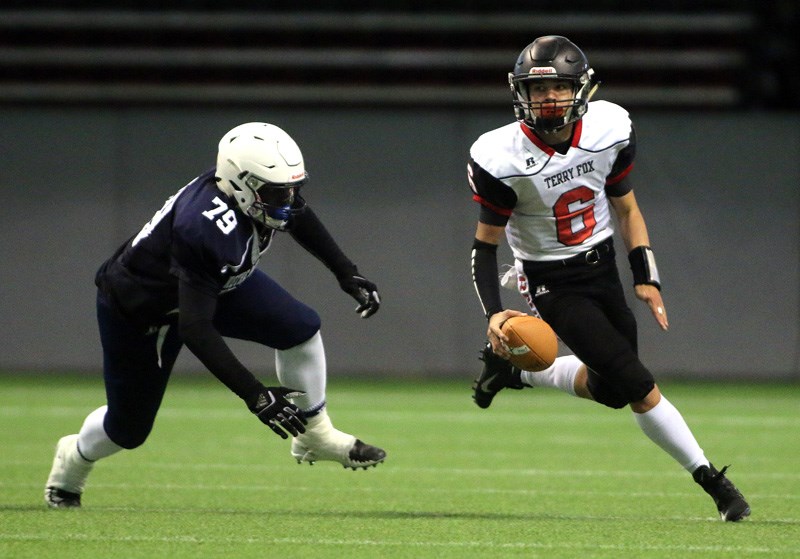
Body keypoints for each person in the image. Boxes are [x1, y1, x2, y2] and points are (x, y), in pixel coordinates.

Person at [468, 36, 749, 522]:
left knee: (614, 390)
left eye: (557, 88)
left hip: (602, 268)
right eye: (536, 92)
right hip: (550, 281)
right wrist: (495, 311)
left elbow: (627, 207)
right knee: (639, 385)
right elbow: (484, 246)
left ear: (580, 90)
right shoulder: (500, 155)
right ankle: (714, 482)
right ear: (520, 95)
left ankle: (514, 372)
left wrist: (646, 275)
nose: (547, 100)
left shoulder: (609, 126)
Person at [45, 122, 386, 508]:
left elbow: (299, 215)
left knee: (300, 328)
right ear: (242, 184)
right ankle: (72, 460)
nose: (288, 202)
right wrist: (255, 396)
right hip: (145, 309)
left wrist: (345, 270)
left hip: (207, 285)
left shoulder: (246, 187)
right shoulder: (204, 229)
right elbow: (194, 327)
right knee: (128, 429)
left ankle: (315, 435)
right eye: (278, 193)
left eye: (292, 189)